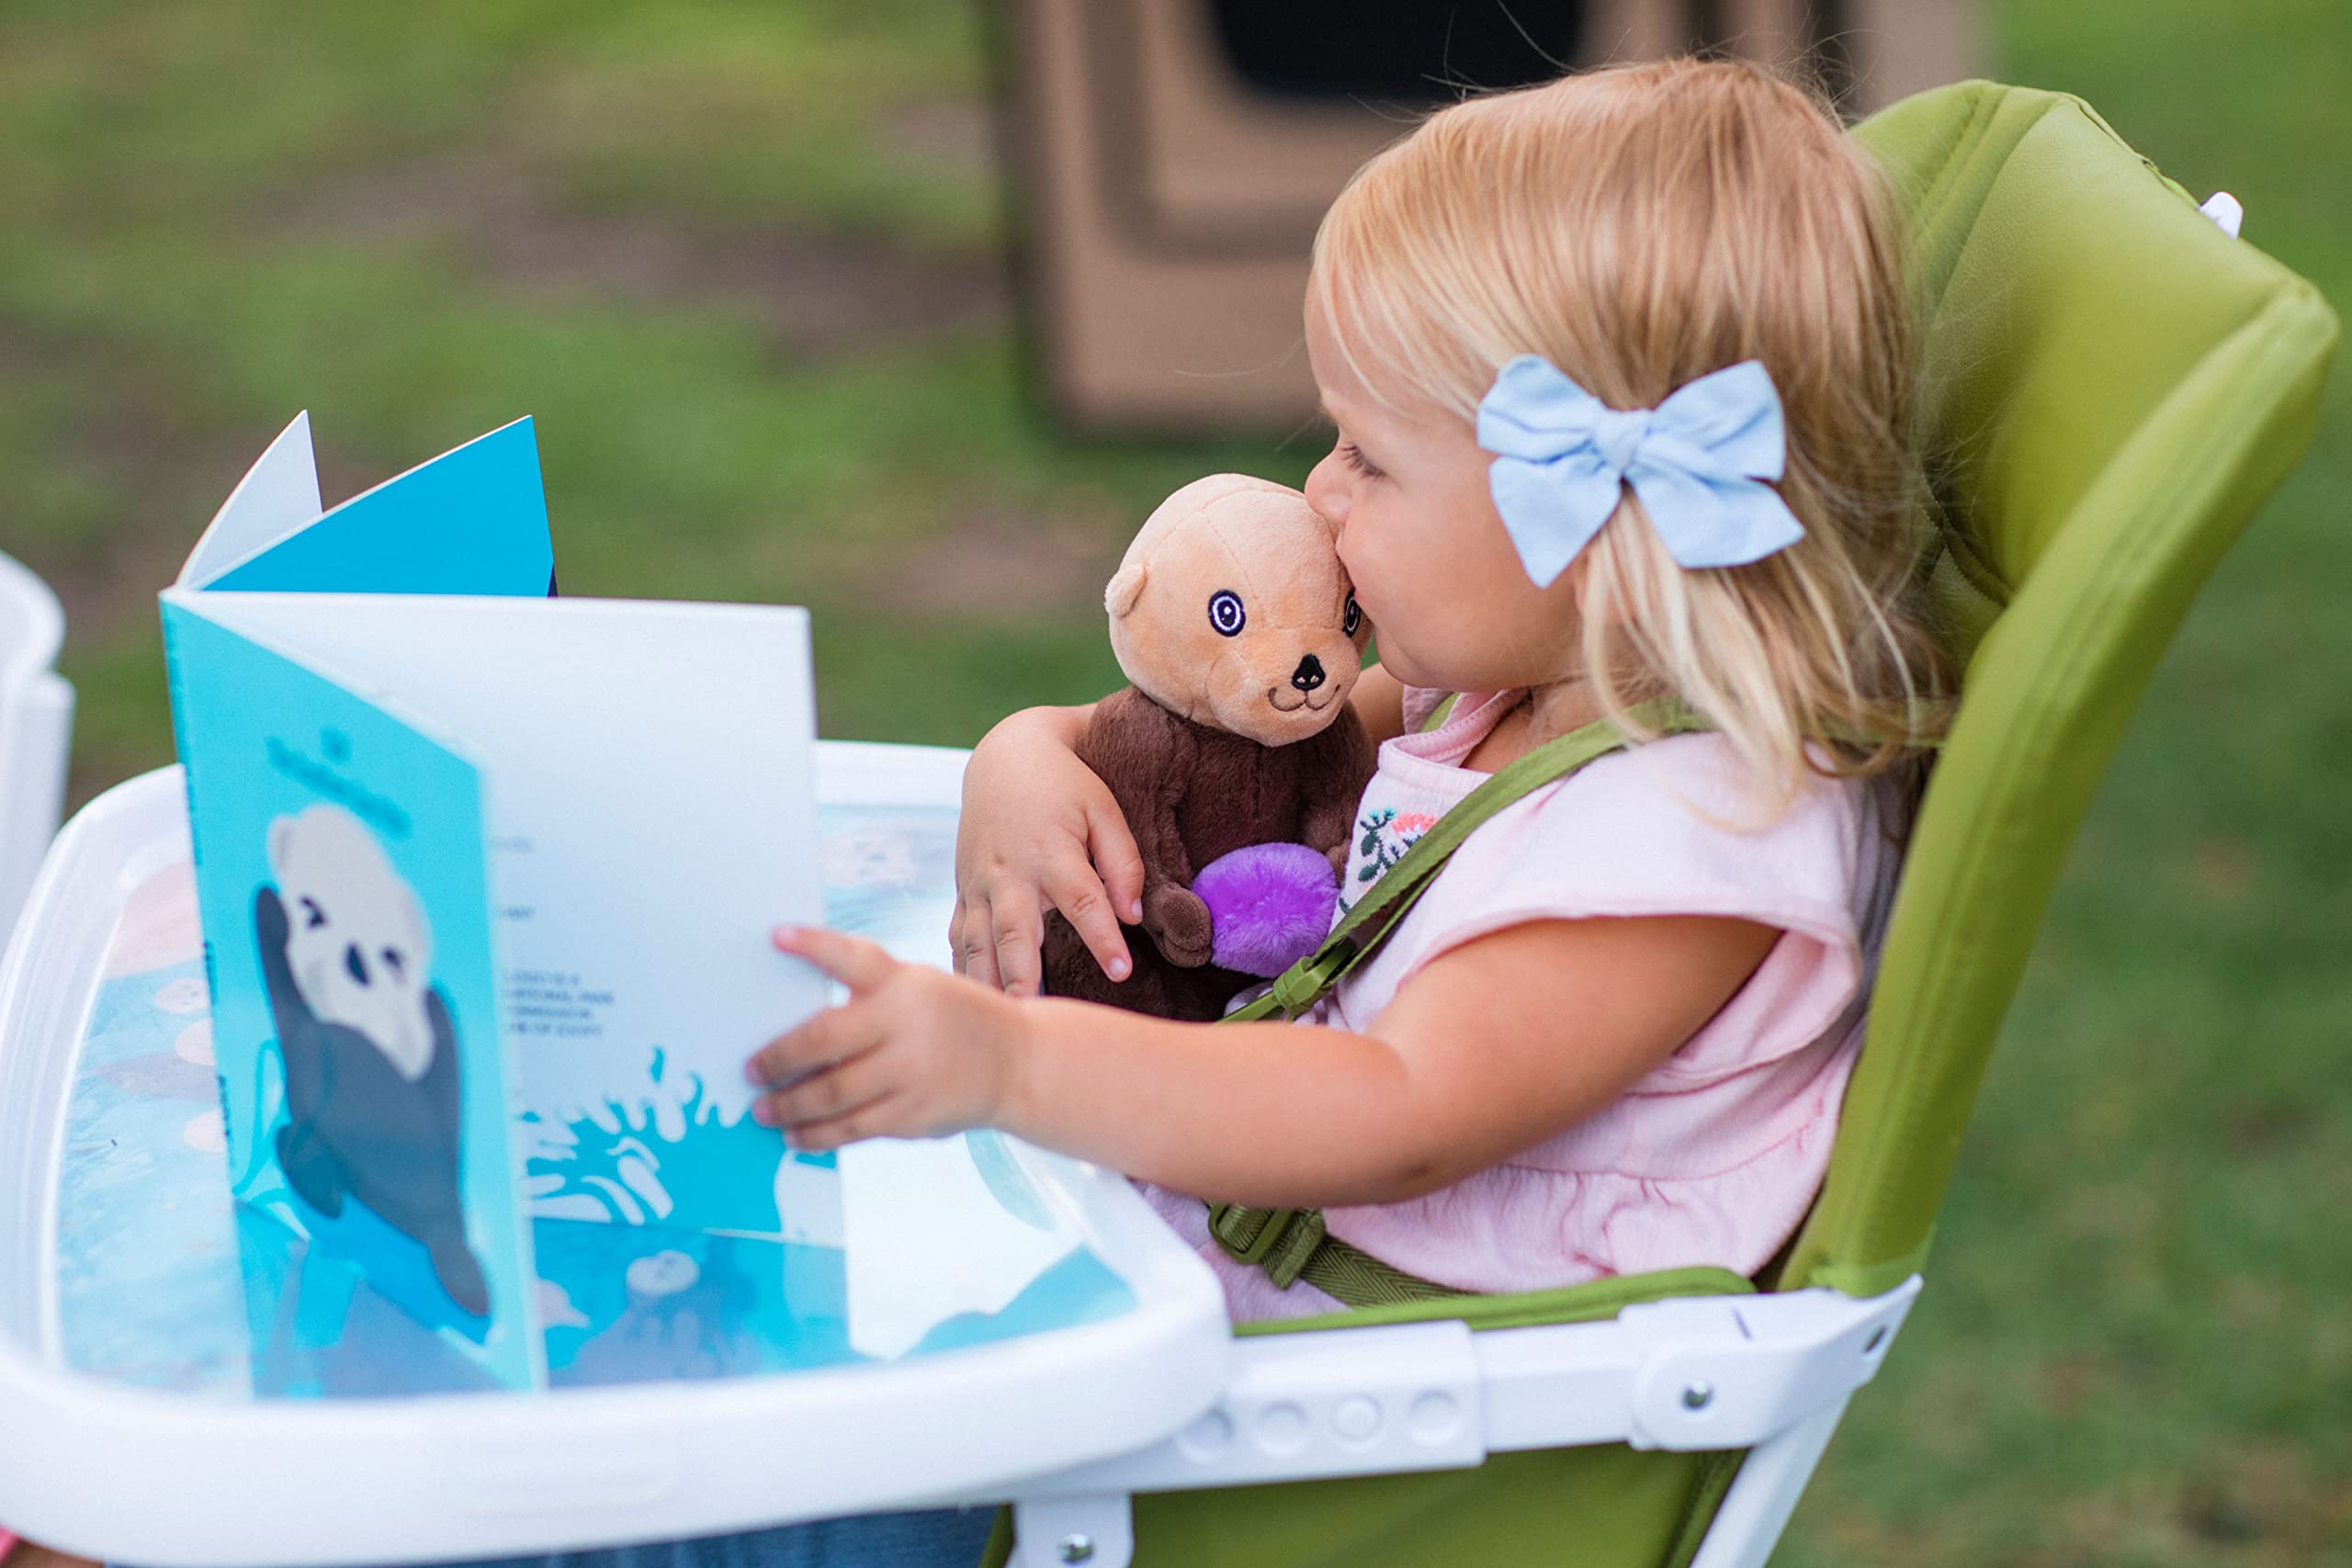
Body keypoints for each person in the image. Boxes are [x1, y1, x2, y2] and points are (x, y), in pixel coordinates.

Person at [397, 51, 1950, 1568]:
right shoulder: (1514, 686)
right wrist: (1029, 750)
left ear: (1598, 523)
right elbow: (1190, 727)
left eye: (1369, 459)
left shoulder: (1686, 842)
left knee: (680, 1484)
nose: (1319, 501)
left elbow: (1399, 1116)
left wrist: (1013, 1060)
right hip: (1171, 1300)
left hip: (1305, 1437)